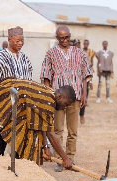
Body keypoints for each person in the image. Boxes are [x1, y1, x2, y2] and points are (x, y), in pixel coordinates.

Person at [0, 78, 74, 168]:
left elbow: (43, 124)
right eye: (66, 104)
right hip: (4, 107)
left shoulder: (51, 94)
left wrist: (45, 146)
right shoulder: (49, 102)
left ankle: (14, 172)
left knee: (20, 146)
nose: (65, 107)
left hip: (15, 111)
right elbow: (51, 134)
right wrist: (65, 158)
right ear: (60, 97)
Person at [40, 26, 92, 172]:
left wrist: (84, 94)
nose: (65, 40)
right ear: (57, 38)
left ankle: (71, 156)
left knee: (73, 130)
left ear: (70, 36)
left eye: (67, 37)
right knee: (58, 130)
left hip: (75, 97)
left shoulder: (80, 53)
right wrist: (48, 94)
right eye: (61, 38)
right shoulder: (51, 53)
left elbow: (85, 75)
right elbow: (46, 76)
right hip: (58, 100)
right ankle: (60, 159)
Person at [0, 26, 33, 156]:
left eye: (22, 40)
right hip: (4, 107)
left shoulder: (26, 59)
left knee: (19, 143)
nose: (20, 43)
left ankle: (15, 172)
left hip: (21, 107)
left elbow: (29, 81)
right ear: (9, 40)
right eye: (17, 40)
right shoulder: (0, 57)